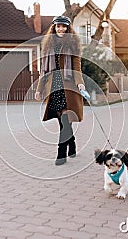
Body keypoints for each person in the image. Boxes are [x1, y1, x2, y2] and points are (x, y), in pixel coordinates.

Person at [35, 15, 86, 165]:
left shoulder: (72, 46)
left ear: (69, 29)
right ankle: (72, 143)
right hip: (54, 90)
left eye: (64, 27)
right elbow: (44, 71)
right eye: (58, 26)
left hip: (68, 89)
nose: (61, 29)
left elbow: (77, 68)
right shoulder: (48, 47)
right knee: (63, 122)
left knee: (65, 119)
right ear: (54, 28)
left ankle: (61, 154)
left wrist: (80, 84)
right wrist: (39, 89)